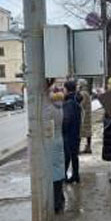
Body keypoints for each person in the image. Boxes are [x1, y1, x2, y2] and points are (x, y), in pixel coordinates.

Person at [46, 79, 66, 213]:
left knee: (52, 174)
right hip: (59, 140)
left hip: (51, 142)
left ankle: (56, 204)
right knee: (58, 171)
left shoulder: (50, 109)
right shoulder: (60, 107)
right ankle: (60, 200)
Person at [62, 80, 82, 184]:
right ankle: (76, 175)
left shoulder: (69, 103)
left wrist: (62, 129)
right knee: (74, 156)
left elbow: (66, 120)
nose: (62, 90)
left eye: (63, 88)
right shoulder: (76, 100)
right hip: (76, 132)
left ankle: (64, 175)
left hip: (69, 134)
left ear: (67, 89)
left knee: (67, 156)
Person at [78, 79, 93, 154]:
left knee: (80, 131)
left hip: (83, 114)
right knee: (88, 131)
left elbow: (81, 104)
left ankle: (78, 148)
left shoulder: (82, 93)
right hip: (87, 114)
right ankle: (88, 147)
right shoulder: (86, 92)